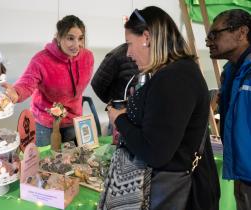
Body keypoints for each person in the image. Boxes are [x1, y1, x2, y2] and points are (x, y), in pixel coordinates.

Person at [100, 6, 220, 210]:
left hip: (179, 195)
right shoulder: (179, 71)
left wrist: (119, 119)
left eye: (129, 43)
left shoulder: (173, 78)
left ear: (146, 37)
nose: (128, 53)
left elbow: (155, 152)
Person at [2, 15, 94, 147]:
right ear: (58, 37)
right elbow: (27, 82)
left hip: (73, 119)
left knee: (72, 162)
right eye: (70, 38)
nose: (76, 45)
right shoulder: (41, 60)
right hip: (45, 122)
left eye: (80, 38)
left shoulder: (87, 57)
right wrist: (16, 93)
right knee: (45, 161)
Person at [206, 9, 251, 210]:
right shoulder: (231, 72)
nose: (208, 42)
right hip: (243, 173)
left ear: (242, 32)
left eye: (215, 34)